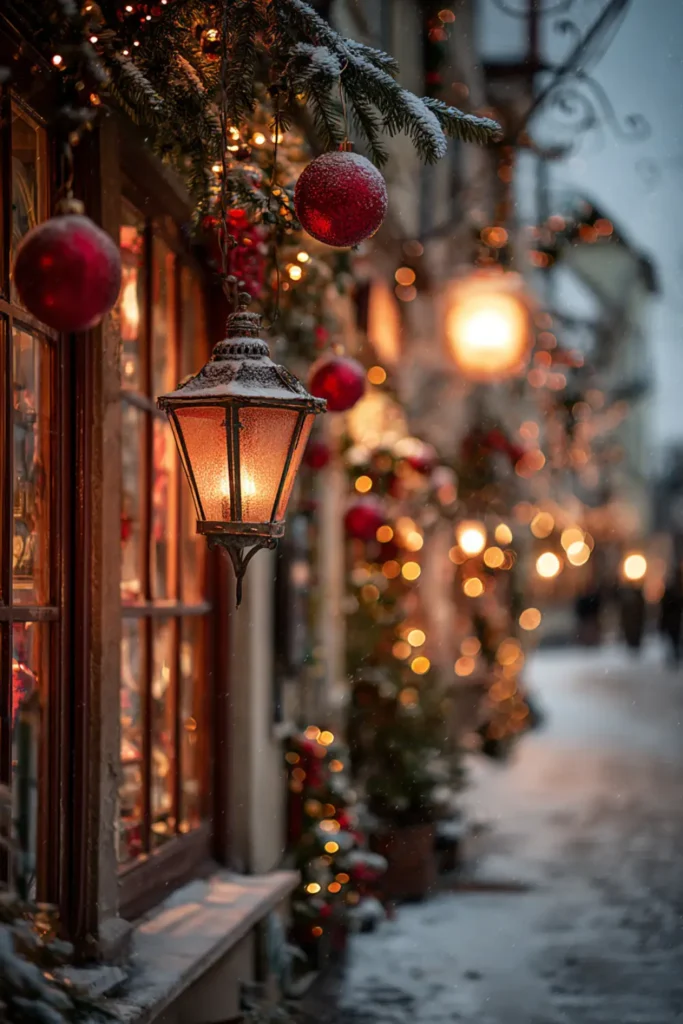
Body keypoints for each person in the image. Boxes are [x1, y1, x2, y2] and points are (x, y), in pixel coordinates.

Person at [659, 568, 683, 666]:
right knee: (674, 639)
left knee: (674, 639)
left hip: (673, 620)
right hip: (673, 620)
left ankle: (675, 655)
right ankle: (675, 655)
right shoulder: (673, 591)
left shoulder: (671, 591)